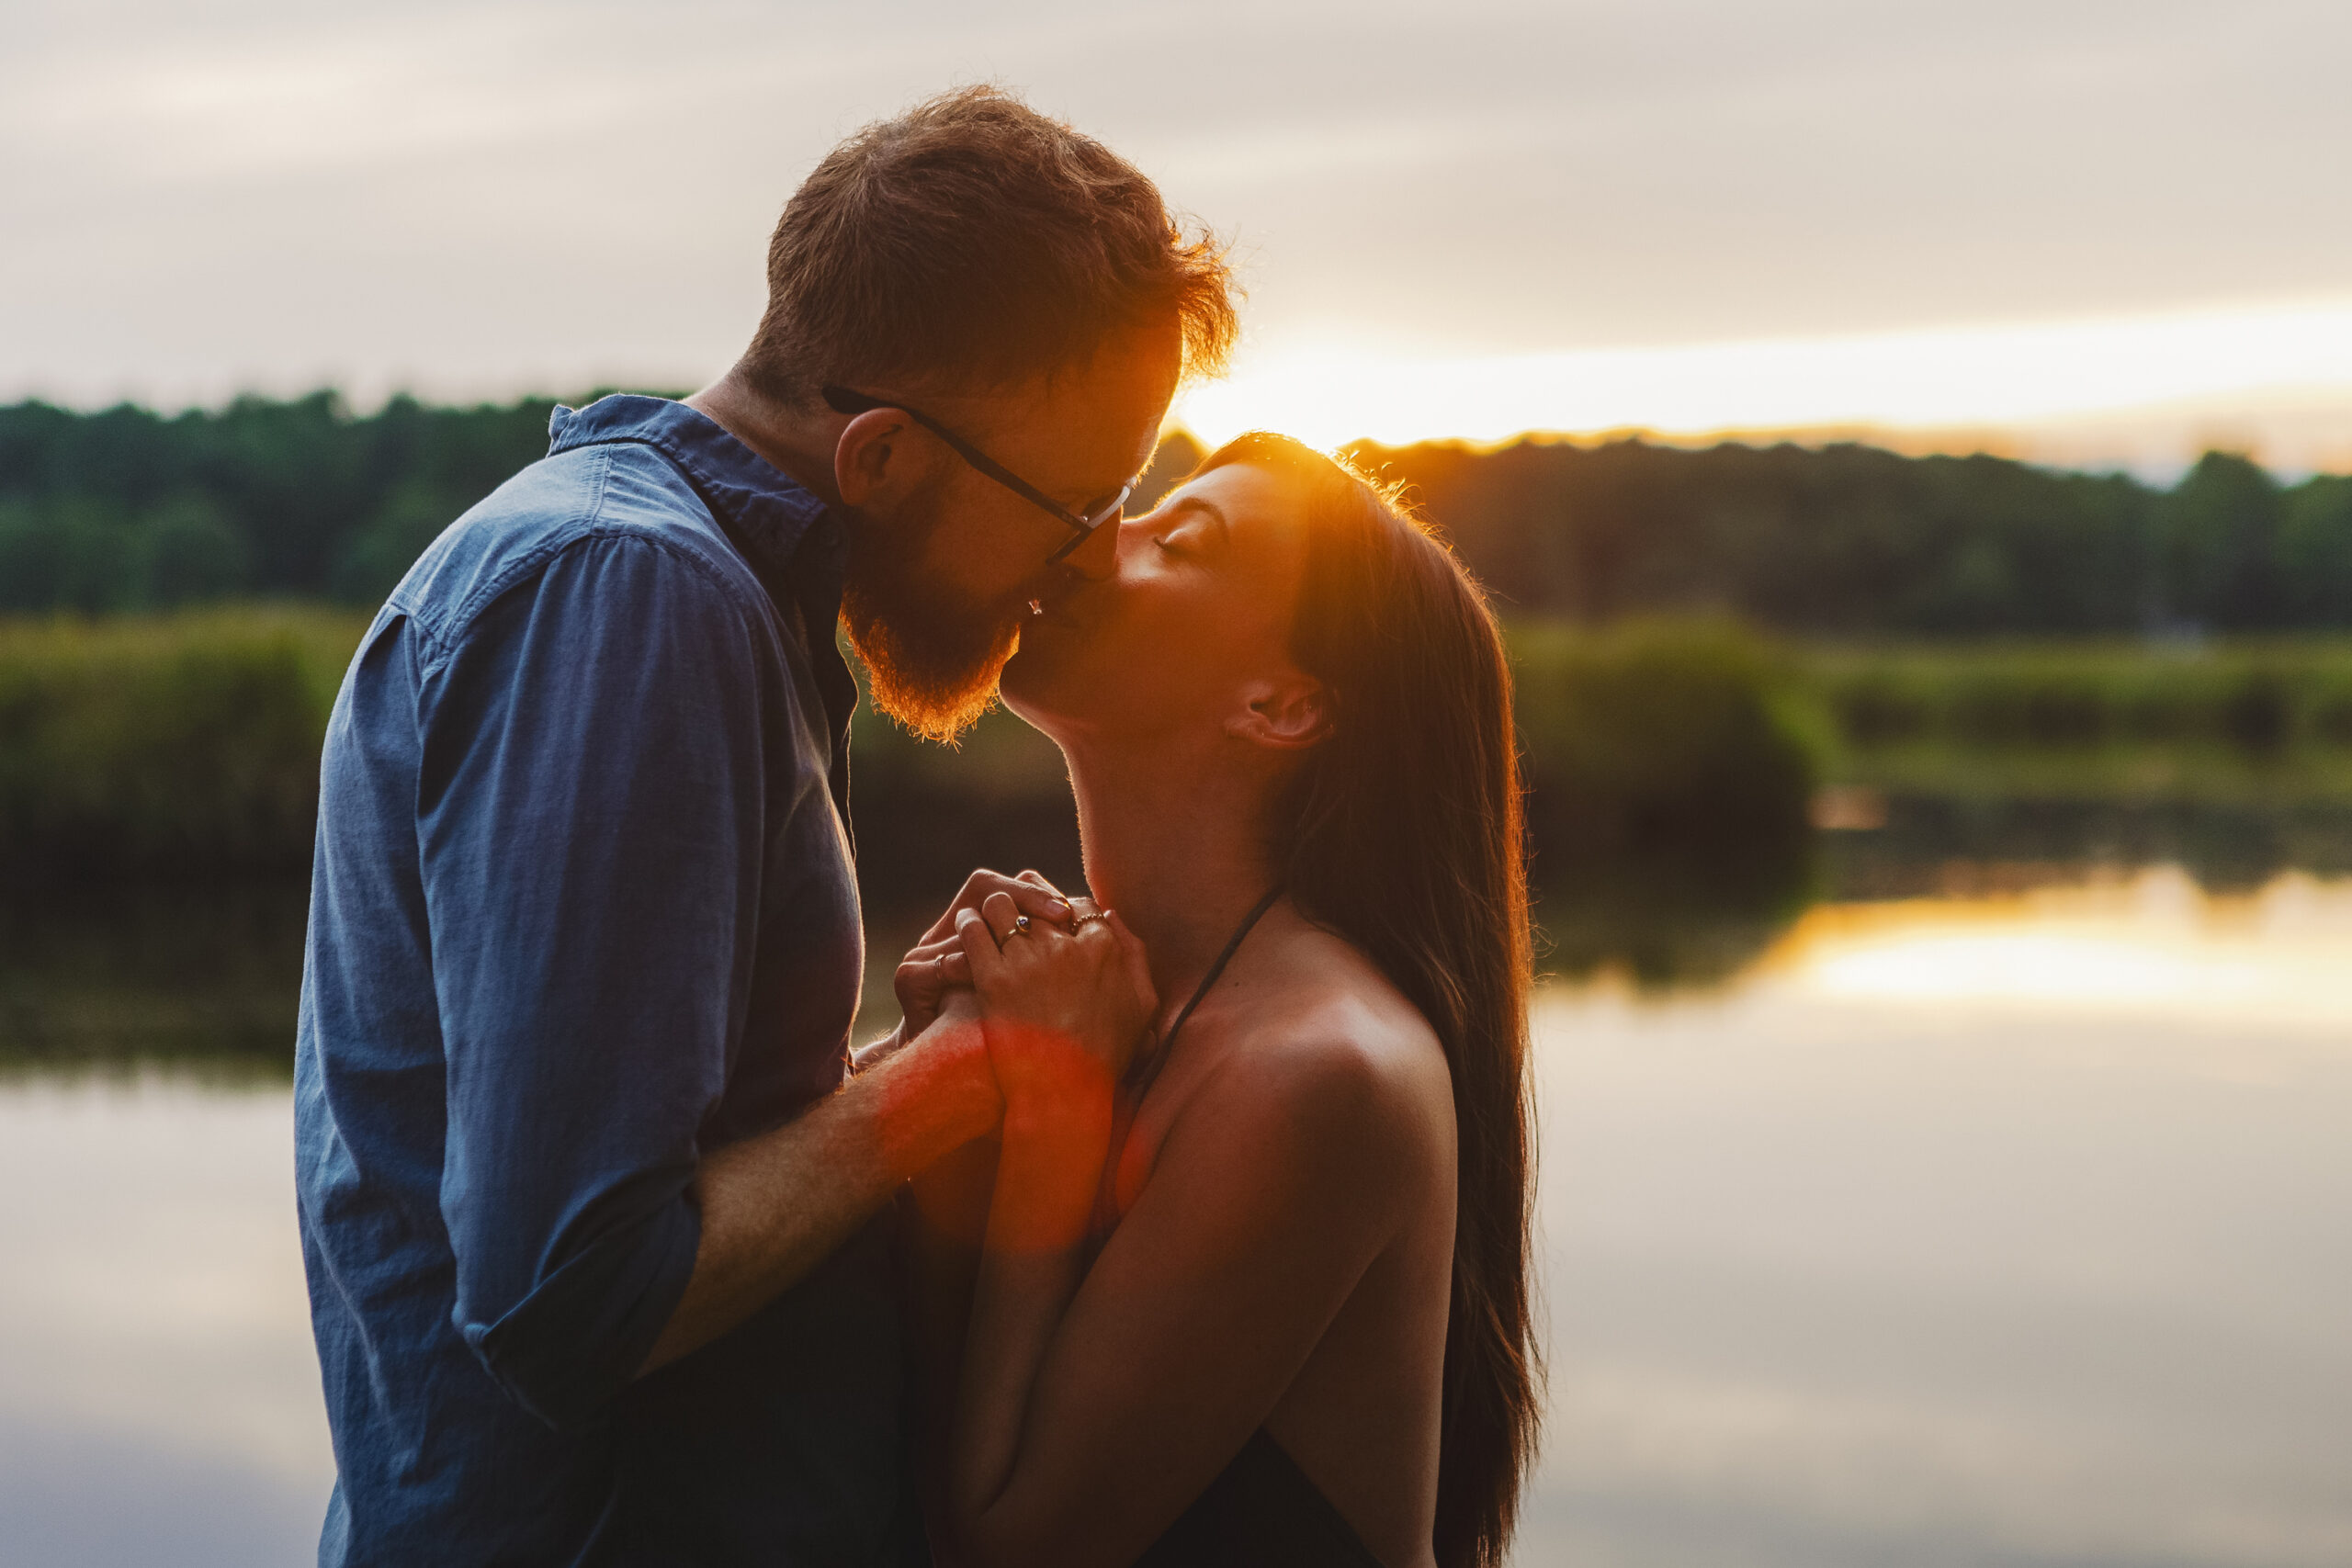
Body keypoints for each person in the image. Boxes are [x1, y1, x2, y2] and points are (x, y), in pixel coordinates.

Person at [291, 86, 1234, 1566]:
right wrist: (964, 1070)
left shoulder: (692, 591)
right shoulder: (633, 596)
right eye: (1080, 506)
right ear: (881, 460)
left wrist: (877, 1060)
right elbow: (573, 1291)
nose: (1092, 562)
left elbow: (648, 1164)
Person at [888, 434, 1542, 1568]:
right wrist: (935, 1067)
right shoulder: (1116, 993)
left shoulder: (1325, 1074)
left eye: (1174, 540)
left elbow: (1006, 1550)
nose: (1095, 540)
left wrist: (1056, 1106)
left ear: (1280, 704)